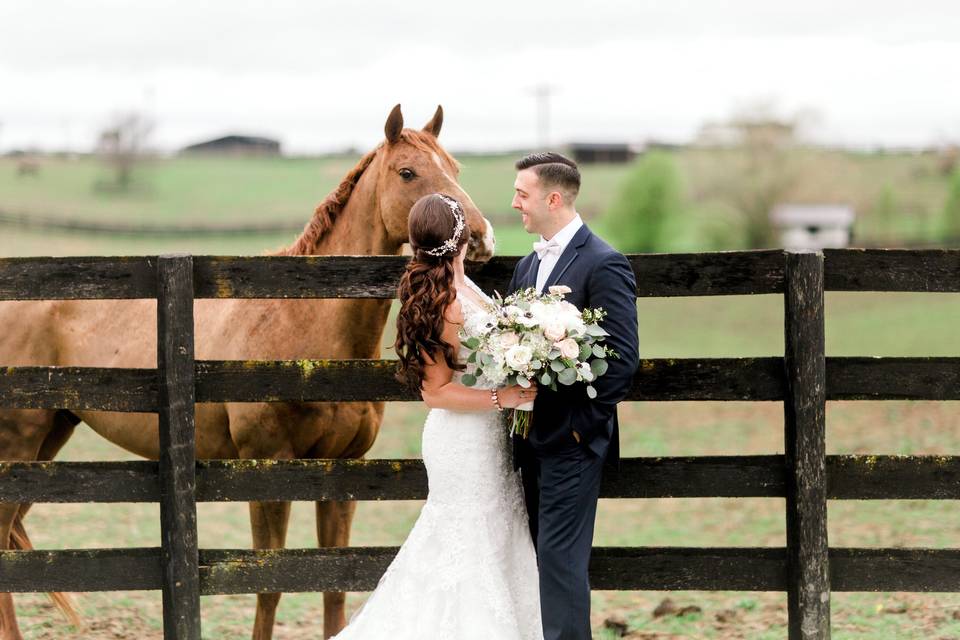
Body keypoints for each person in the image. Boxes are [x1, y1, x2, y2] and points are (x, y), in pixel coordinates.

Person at [330, 192, 544, 640]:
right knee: (466, 541)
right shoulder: (445, 300)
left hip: (488, 438)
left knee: (493, 534)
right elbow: (436, 392)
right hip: (462, 441)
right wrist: (502, 398)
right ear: (463, 240)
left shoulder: (463, 286)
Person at [508, 152, 640, 640]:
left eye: (522, 193)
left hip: (574, 441)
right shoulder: (526, 267)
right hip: (529, 444)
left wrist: (579, 426)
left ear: (553, 198)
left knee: (561, 565)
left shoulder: (604, 263)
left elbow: (621, 362)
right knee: (542, 560)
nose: (515, 203)